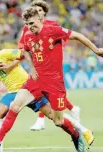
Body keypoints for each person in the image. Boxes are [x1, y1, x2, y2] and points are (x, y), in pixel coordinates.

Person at [0, 7, 103, 152]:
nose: (30, 27)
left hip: (55, 83)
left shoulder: (53, 30)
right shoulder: (28, 36)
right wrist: (33, 68)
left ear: (39, 18)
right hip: (36, 80)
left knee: (58, 121)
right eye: (27, 24)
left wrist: (96, 50)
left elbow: (78, 35)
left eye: (32, 23)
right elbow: (26, 51)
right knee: (15, 105)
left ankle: (75, 134)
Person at [0, 44, 94, 152]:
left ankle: (76, 134)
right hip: (13, 92)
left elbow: (24, 54)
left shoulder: (3, 54)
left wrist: (10, 65)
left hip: (29, 87)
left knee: (56, 119)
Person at [18, 0, 80, 131]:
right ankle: (41, 119)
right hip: (38, 68)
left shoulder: (53, 26)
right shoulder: (28, 28)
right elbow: (24, 47)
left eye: (40, 10)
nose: (38, 12)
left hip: (51, 67)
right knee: (34, 95)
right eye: (35, 10)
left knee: (53, 99)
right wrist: (31, 65)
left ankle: (71, 114)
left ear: (44, 13)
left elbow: (62, 40)